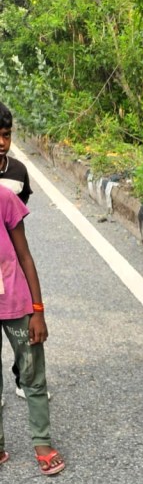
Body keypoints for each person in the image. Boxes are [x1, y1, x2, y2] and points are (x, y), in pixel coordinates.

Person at [0, 183, 64, 475]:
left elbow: (24, 255)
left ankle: (42, 442)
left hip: (16, 302)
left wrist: (38, 310)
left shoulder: (4, 198)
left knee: (32, 374)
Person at [0, 100, 42, 403]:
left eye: (6, 135)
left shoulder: (18, 172)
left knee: (20, 323)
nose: (2, 143)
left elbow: (19, 217)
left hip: (11, 259)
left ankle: (22, 375)